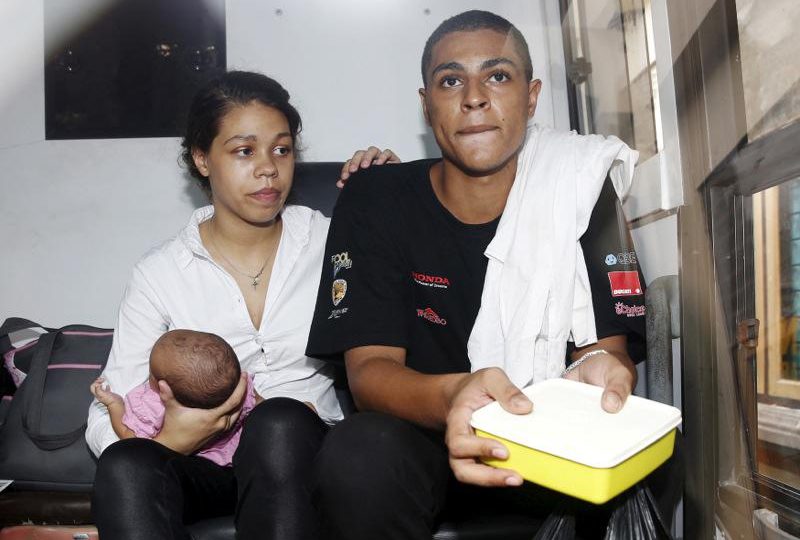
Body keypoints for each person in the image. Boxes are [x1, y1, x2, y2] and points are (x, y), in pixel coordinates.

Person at [306, 10, 673, 539]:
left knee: (629, 465)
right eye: (451, 81)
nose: (474, 97)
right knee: (358, 454)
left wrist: (600, 374)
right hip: (424, 439)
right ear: (427, 104)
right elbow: (369, 374)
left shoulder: (578, 185)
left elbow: (604, 351)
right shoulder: (376, 197)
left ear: (531, 96)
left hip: (547, 436)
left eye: (497, 76)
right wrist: (457, 395)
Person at [86, 70, 397, 540]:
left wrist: (396, 194)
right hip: (204, 460)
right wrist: (174, 439)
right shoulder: (162, 272)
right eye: (244, 151)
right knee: (126, 463)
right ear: (202, 158)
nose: (268, 168)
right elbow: (106, 411)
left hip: (305, 453)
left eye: (282, 149)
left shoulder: (332, 241)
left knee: (279, 420)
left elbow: (412, 286)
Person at [90, 329, 260, 467]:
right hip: (231, 465)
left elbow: (130, 439)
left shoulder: (152, 406)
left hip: (180, 471)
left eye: (152, 373)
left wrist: (114, 404)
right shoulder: (240, 392)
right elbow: (261, 407)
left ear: (163, 388)